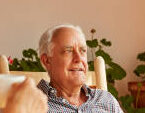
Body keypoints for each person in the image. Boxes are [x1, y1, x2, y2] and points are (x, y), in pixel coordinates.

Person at [3, 24, 123, 113]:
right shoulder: (30, 104)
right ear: (47, 60)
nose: (79, 58)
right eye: (68, 51)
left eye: (82, 51)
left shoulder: (105, 99)